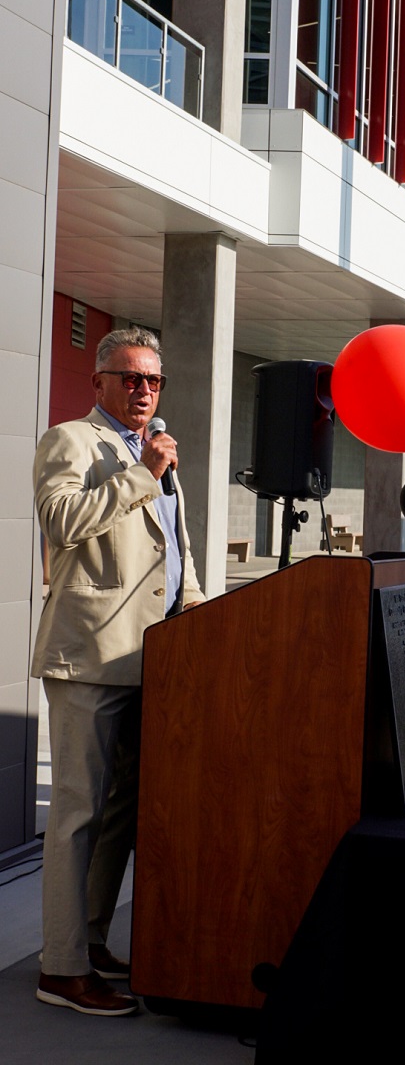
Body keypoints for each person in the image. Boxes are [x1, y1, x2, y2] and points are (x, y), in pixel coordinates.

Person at [32, 327, 205, 1015]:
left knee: (118, 817)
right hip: (89, 657)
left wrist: (199, 613)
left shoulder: (155, 454)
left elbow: (174, 554)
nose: (142, 391)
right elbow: (62, 519)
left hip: (153, 661)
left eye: (152, 381)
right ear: (98, 382)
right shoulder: (71, 441)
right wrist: (143, 475)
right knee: (76, 815)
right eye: (129, 378)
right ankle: (60, 970)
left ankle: (91, 943)